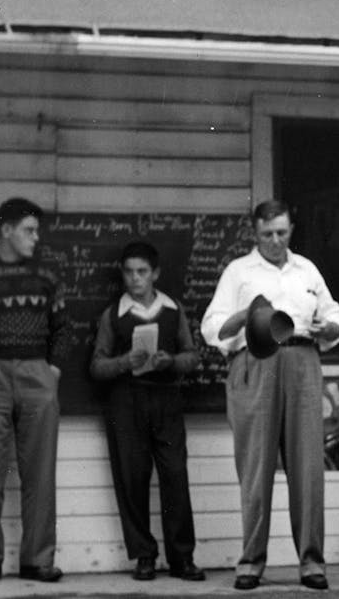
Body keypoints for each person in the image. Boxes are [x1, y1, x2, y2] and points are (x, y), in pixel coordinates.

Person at [201, 200, 339, 592]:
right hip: (255, 362)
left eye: (282, 232)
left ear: (291, 230)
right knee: (255, 466)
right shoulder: (239, 272)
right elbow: (211, 327)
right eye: (267, 234)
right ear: (255, 233)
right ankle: (251, 562)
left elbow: (335, 314)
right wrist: (245, 316)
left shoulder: (307, 270)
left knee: (308, 468)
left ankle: (312, 562)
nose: (275, 240)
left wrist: (330, 327)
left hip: (302, 360)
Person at [89, 240, 205, 582]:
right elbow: (96, 365)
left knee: (175, 477)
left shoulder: (173, 310)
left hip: (166, 399)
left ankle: (182, 557)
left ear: (155, 273)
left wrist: (170, 362)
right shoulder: (113, 315)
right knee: (132, 478)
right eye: (128, 272)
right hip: (126, 401)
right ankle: (144, 555)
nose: (134, 279)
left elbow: (192, 356)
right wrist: (125, 362)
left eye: (142, 272)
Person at [0, 197, 66, 585]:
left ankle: (38, 559)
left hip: (37, 373)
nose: (36, 237)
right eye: (29, 230)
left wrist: (51, 371)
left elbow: (63, 328)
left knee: (40, 473)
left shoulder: (47, 276)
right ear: (5, 230)